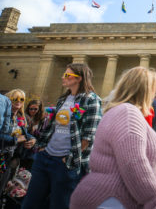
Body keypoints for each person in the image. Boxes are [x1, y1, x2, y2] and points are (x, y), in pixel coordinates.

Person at [70, 66, 156, 209]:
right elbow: (133, 162)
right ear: (146, 90)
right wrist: (154, 198)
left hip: (110, 198)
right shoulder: (128, 113)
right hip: (112, 199)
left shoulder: (120, 111)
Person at [22, 63, 102, 209]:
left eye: (67, 75)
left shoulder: (91, 100)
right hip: (45, 157)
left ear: (79, 78)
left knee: (59, 204)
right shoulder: (63, 99)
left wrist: (69, 158)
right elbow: (52, 126)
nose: (62, 77)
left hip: (65, 162)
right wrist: (41, 148)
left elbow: (89, 135)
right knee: (30, 203)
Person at [0, 90, 35, 193]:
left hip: (11, 157)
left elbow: (24, 133)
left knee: (3, 187)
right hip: (1, 155)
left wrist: (33, 139)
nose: (18, 101)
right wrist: (16, 140)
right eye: (15, 98)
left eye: (21, 99)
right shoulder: (4, 116)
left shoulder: (21, 118)